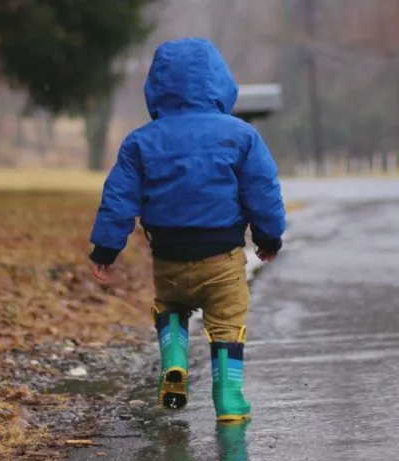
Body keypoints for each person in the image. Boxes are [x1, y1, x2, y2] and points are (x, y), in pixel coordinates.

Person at [88, 37, 286, 422]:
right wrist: (268, 238)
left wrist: (105, 250)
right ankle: (228, 398)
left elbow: (119, 198)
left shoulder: (140, 142)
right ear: (219, 82)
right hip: (222, 257)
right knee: (227, 321)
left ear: (157, 86)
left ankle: (175, 359)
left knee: (171, 308)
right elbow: (262, 191)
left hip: (169, 257)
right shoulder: (240, 135)